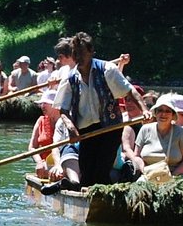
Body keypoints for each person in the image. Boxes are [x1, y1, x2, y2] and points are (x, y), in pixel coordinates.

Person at [54, 32, 148, 187]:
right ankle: (87, 199)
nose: (79, 57)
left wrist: (144, 109)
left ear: (91, 52)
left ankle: (101, 200)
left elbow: (131, 91)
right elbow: (63, 110)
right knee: (87, 172)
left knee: (101, 171)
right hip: (86, 131)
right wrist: (71, 129)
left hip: (110, 127)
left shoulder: (107, 70)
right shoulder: (70, 78)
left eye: (82, 53)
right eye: (75, 53)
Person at [129, 95, 183, 181]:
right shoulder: (145, 129)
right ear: (155, 113)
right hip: (149, 175)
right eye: (160, 110)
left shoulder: (180, 132)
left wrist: (173, 176)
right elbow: (136, 156)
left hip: (175, 176)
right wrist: (144, 170)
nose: (163, 114)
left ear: (173, 115)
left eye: (167, 111)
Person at [30, 92, 79, 184]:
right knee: (47, 170)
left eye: (46, 103)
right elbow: (32, 147)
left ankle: (70, 179)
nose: (42, 106)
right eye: (41, 103)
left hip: (65, 159)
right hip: (46, 165)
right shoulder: (41, 120)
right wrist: (39, 162)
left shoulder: (66, 121)